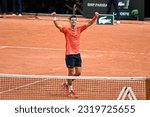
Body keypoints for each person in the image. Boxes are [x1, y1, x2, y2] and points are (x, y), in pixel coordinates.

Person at [51, 11, 99, 98]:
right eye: (72, 20)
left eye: (75, 20)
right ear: (69, 21)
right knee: (70, 72)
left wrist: (95, 17)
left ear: (76, 21)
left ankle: (66, 83)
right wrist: (54, 18)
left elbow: (89, 23)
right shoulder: (66, 30)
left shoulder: (79, 29)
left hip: (77, 54)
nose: (73, 21)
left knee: (78, 72)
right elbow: (58, 26)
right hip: (69, 54)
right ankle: (70, 90)